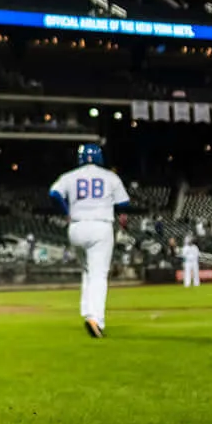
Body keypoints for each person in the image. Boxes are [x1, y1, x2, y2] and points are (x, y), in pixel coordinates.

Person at [48, 144, 131, 338]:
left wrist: (67, 212)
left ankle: (86, 311)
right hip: (100, 226)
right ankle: (96, 319)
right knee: (99, 275)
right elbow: (123, 203)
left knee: (87, 270)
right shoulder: (110, 177)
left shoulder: (70, 176)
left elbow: (54, 194)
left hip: (76, 227)